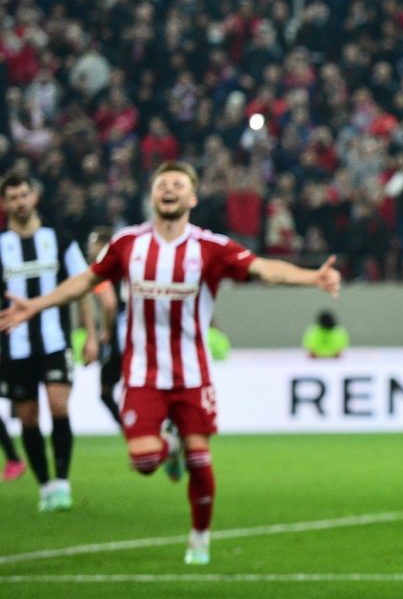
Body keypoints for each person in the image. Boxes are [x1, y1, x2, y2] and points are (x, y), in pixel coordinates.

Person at [0, 161, 341, 565]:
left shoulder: (211, 247)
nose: (170, 189)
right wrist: (36, 305)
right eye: (163, 183)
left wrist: (311, 277)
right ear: (152, 195)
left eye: (179, 184)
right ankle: (170, 446)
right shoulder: (128, 244)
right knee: (144, 461)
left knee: (200, 459)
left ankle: (199, 538)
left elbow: (264, 268)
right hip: (142, 373)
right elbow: (87, 281)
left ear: (192, 198)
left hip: (192, 374)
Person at [0, 173, 94, 511]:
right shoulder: (1, 245)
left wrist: (91, 334)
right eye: (13, 198)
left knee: (59, 406)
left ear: (34, 197)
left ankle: (63, 481)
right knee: (28, 417)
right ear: (4, 204)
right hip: (15, 346)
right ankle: (45, 486)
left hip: (55, 341)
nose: (20, 202)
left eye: (24, 195)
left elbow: (84, 285)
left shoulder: (59, 240)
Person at [82, 227, 123, 426]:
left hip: (119, 338)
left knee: (106, 392)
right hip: (136, 334)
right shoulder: (123, 266)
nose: (89, 248)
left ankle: (135, 432)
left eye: (93, 244)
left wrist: (106, 330)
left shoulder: (102, 270)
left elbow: (110, 303)